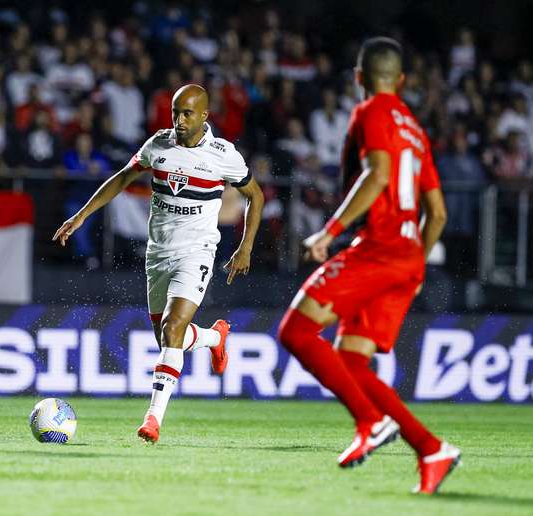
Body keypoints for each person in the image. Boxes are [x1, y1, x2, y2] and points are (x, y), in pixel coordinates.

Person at [277, 38, 459, 494]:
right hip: (407, 258)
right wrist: (416, 264)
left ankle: (369, 422)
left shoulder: (370, 112)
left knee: (296, 332)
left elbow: (376, 174)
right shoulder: (416, 129)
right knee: (353, 362)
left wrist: (329, 231)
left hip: (378, 248)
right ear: (400, 80)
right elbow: (437, 213)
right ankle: (430, 447)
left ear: (359, 78)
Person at [54, 84, 264, 443]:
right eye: (175, 112)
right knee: (169, 338)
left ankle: (152, 420)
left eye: (187, 114)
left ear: (204, 116)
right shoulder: (159, 144)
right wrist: (82, 215)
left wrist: (245, 247)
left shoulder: (223, 155)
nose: (179, 121)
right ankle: (214, 337)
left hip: (196, 251)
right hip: (158, 254)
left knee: (173, 328)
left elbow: (254, 196)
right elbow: (122, 177)